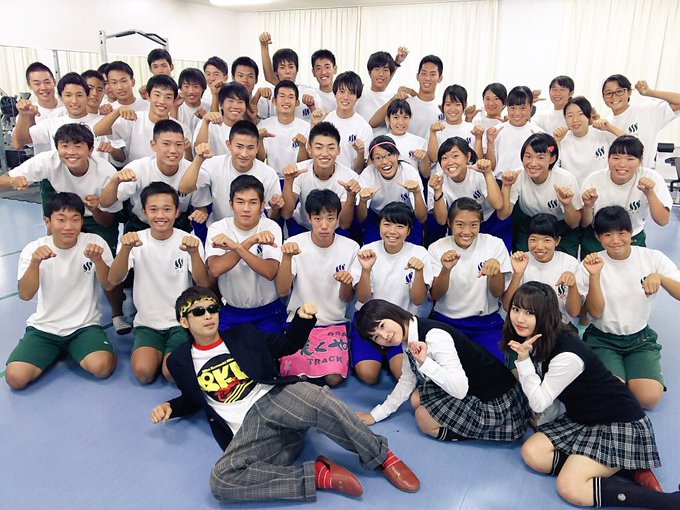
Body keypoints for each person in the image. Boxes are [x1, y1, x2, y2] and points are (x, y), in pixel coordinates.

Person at [151, 286, 420, 502]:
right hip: (248, 432)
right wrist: (171, 407)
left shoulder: (244, 335)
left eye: (212, 309)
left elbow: (288, 344)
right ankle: (317, 475)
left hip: (273, 400)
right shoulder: (180, 362)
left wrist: (303, 319)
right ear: (184, 321)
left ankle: (381, 456)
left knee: (318, 397)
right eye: (199, 312)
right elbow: (195, 398)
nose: (208, 315)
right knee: (221, 481)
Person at [504, 281, 680, 509]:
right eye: (516, 309)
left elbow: (539, 402)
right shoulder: (538, 337)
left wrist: (523, 361)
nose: (520, 318)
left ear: (545, 315)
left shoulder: (565, 355)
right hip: (583, 417)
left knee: (570, 487)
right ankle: (622, 467)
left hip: (618, 423)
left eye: (530, 313)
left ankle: (669, 501)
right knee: (532, 454)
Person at [0, 123, 130, 335]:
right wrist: (15, 181)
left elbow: (108, 221)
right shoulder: (48, 161)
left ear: (90, 150)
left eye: (78, 146)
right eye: (65, 145)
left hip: (97, 217)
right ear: (57, 148)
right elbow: (3, 181)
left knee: (108, 263)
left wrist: (95, 208)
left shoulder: (106, 173)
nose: (71, 151)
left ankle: (117, 314)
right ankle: (58, 312)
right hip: (63, 217)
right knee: (56, 260)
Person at [355, 299, 529, 442]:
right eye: (376, 337)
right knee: (415, 398)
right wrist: (375, 415)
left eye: (382, 325)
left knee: (424, 419)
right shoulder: (409, 335)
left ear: (393, 314)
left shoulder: (434, 336)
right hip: (475, 385)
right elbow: (407, 380)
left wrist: (425, 363)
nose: (385, 336)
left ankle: (478, 431)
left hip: (498, 401)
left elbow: (459, 390)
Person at [5, 193, 116, 389]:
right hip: (45, 327)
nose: (68, 226)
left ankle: (76, 347)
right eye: (61, 220)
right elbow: (25, 294)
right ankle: (55, 349)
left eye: (75, 219)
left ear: (82, 221)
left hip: (84, 326)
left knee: (102, 367)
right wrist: (35, 263)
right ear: (48, 222)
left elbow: (109, 285)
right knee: (15, 378)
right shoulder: (34, 249)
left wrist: (98, 260)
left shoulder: (94, 242)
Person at [576, 206, 680, 410]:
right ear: (597, 237)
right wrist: (594, 276)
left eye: (622, 233)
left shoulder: (653, 258)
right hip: (602, 338)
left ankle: (638, 374)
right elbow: (590, 312)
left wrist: (660, 278)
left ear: (631, 233)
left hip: (640, 338)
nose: (615, 240)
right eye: (607, 235)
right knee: (610, 395)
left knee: (649, 400)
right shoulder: (592, 264)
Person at [108, 182, 209, 384]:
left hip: (182, 322)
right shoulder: (134, 240)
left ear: (177, 212)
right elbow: (113, 280)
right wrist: (125, 250)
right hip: (147, 323)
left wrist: (194, 253)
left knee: (172, 373)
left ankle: (181, 348)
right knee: (144, 373)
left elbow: (203, 284)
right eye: (153, 210)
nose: (160, 215)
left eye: (167, 209)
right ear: (144, 212)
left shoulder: (189, 240)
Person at [276, 190, 360, 386]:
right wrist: (287, 258)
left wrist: (346, 282)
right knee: (296, 378)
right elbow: (282, 290)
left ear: (338, 218)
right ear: (308, 218)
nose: (324, 225)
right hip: (299, 322)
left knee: (334, 378)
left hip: (334, 323)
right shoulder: (294, 244)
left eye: (330, 218)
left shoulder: (351, 247)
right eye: (318, 218)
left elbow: (347, 298)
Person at [349, 203, 432, 384]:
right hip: (370, 323)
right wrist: (366, 270)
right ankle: (377, 354)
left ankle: (390, 356)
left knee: (402, 374)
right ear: (379, 226)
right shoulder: (367, 251)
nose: (392, 231)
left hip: (400, 326)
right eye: (387, 224)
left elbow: (419, 300)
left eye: (400, 226)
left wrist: (419, 272)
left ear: (409, 231)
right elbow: (362, 298)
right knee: (368, 376)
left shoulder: (419, 253)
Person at [428, 198, 511, 361]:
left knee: (497, 366)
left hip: (486, 323)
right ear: (449, 223)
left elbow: (497, 293)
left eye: (474, 225)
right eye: (460, 224)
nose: (466, 231)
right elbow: (435, 295)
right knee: (446, 367)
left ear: (480, 224)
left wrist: (495, 272)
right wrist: (446, 270)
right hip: (446, 321)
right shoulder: (437, 248)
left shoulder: (494, 244)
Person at [99, 119, 210, 233]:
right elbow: (105, 203)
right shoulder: (137, 168)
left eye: (178, 145)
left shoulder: (194, 171)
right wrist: (114, 181)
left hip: (177, 225)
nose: (173, 150)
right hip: (140, 224)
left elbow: (200, 207)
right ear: (153, 145)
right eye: (166, 144)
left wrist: (202, 213)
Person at [206, 175, 286, 333]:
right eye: (240, 202)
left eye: (253, 202)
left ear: (262, 205)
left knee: (268, 347)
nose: (246, 208)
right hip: (232, 311)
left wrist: (236, 247)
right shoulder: (218, 228)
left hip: (269, 312)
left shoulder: (271, 227)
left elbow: (270, 272)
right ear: (231, 204)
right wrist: (249, 242)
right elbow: (215, 269)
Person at [580, 135, 672, 256]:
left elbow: (663, 221)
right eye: (616, 158)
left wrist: (650, 193)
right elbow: (583, 223)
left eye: (630, 159)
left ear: (640, 161)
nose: (622, 164)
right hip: (598, 237)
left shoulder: (651, 178)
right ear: (608, 159)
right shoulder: (594, 179)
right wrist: (587, 206)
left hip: (632, 238)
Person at [181, 120, 283, 223]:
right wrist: (198, 159)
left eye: (250, 148)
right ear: (229, 145)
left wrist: (275, 208)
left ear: (257, 148)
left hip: (255, 228)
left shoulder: (269, 174)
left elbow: (273, 217)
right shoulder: (214, 164)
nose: (244, 154)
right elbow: (185, 189)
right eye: (239, 146)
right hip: (219, 227)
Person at [498, 133, 582, 257]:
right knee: (522, 260)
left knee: (564, 263)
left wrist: (567, 204)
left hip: (560, 227)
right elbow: (502, 215)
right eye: (528, 156)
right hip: (530, 225)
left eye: (540, 157)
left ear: (552, 159)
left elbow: (574, 224)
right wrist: (506, 186)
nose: (533, 163)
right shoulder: (517, 176)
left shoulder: (566, 179)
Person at [502, 214, 581, 328]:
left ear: (557, 241)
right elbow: (507, 306)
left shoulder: (570, 263)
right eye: (533, 239)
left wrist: (573, 285)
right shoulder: (519, 261)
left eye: (547, 240)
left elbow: (574, 312)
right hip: (524, 327)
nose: (539, 247)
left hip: (559, 327)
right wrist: (518, 274)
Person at [281, 121, 359, 234]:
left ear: (338, 150)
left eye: (331, 148)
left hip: (334, 229)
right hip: (303, 226)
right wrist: (288, 181)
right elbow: (286, 214)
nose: (325, 153)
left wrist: (351, 196)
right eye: (319, 147)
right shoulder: (298, 171)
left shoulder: (349, 177)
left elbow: (344, 224)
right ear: (309, 149)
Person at [95, 74, 192, 164]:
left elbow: (186, 164)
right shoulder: (134, 119)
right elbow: (98, 130)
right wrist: (117, 111)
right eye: (157, 95)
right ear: (148, 96)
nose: (162, 101)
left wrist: (187, 148)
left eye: (168, 97)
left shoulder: (182, 129)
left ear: (174, 100)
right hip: (134, 175)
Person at [428, 137, 504, 248]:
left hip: (488, 221)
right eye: (444, 158)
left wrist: (487, 173)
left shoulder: (479, 172)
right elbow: (442, 221)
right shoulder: (437, 180)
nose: (450, 162)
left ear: (468, 157)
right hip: (460, 227)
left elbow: (498, 205)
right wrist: (437, 191)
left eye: (455, 156)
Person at [12, 72, 104, 156]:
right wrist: (23, 115)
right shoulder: (51, 123)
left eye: (79, 95)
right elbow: (19, 143)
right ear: (61, 98)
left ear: (87, 96)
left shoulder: (103, 122)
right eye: (68, 95)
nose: (74, 101)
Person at [357, 135, 426, 244]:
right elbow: (361, 218)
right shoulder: (368, 174)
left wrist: (417, 192)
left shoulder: (409, 171)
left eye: (389, 155)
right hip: (377, 217)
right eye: (378, 158)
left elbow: (422, 217)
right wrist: (363, 201)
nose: (385, 161)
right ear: (372, 161)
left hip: (405, 217)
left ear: (397, 155)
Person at [602, 74, 680, 168]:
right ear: (603, 97)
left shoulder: (647, 111)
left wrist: (649, 92)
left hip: (643, 174)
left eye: (619, 91)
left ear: (629, 92)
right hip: (616, 174)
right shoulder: (605, 123)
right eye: (608, 93)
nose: (614, 96)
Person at [554, 96, 625, 189]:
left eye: (580, 114)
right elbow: (552, 168)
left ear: (589, 116)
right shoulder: (562, 139)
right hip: (572, 191)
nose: (575, 120)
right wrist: (556, 142)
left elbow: (633, 144)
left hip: (602, 189)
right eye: (570, 115)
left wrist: (610, 128)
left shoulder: (602, 133)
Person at [257, 32, 318, 122]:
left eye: (291, 67)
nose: (287, 71)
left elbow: (318, 118)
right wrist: (264, 46)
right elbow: (269, 76)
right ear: (276, 72)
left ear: (297, 70)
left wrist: (312, 106)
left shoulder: (309, 92)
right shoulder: (268, 96)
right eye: (282, 67)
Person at [486, 85, 543, 179]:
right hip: (500, 181)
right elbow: (491, 168)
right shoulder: (496, 131)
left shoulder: (538, 133)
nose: (517, 113)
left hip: (528, 182)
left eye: (522, 108)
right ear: (507, 108)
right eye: (512, 108)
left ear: (530, 108)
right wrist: (490, 143)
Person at [256, 80, 311, 177]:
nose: (286, 101)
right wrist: (260, 139)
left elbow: (304, 164)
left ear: (297, 102)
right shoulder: (263, 125)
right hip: (273, 179)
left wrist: (302, 146)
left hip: (298, 178)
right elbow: (259, 160)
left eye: (290, 97)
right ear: (274, 101)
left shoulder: (306, 128)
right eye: (282, 96)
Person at [322, 71, 373, 173]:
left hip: (350, 180)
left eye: (351, 93)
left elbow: (359, 170)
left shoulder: (364, 128)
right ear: (335, 93)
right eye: (342, 91)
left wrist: (360, 153)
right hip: (325, 177)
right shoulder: (325, 121)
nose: (346, 97)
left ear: (357, 96)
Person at [356, 49, 408, 136]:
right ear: (369, 73)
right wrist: (396, 62)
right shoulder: (360, 93)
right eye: (376, 69)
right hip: (362, 142)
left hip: (386, 143)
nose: (381, 74)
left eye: (385, 70)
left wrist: (397, 62)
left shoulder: (393, 97)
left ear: (390, 74)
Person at [427, 84, 483, 162]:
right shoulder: (435, 129)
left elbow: (477, 161)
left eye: (457, 104)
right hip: (441, 170)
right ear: (442, 106)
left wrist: (478, 138)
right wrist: (433, 133)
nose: (452, 109)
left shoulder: (473, 130)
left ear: (465, 105)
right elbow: (433, 159)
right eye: (448, 104)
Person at [193, 81, 249, 157]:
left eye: (240, 102)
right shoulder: (207, 123)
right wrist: (205, 122)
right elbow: (198, 151)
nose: (235, 106)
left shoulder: (249, 128)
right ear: (221, 104)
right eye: (230, 101)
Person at [384, 99, 429, 177]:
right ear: (388, 119)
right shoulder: (381, 141)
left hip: (413, 183)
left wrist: (424, 157)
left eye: (405, 117)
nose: (401, 122)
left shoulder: (420, 141)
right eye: (396, 117)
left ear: (410, 118)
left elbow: (426, 175)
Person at [406, 55, 444, 141]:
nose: (427, 78)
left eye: (432, 74)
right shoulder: (406, 103)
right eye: (424, 73)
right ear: (417, 76)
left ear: (440, 78)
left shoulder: (443, 108)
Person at [177, 67, 210, 135]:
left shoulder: (209, 108)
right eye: (186, 86)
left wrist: (206, 119)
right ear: (180, 88)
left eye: (196, 86)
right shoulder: (176, 108)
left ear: (203, 88)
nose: (191, 91)